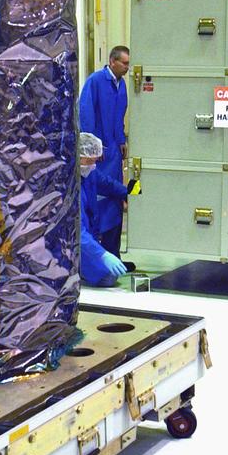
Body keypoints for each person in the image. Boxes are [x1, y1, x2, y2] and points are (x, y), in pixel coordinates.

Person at [79, 45, 130, 256]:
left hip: (113, 153)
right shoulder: (95, 81)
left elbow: (119, 116)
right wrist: (91, 148)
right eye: (124, 63)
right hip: (98, 155)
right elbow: (86, 112)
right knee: (100, 198)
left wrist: (121, 140)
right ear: (112, 61)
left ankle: (114, 253)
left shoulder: (122, 85)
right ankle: (98, 254)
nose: (127, 67)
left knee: (115, 199)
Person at [78, 132, 127, 287]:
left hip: (87, 236)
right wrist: (102, 255)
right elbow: (77, 232)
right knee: (107, 278)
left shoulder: (89, 171)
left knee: (110, 275)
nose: (92, 164)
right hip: (73, 243)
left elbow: (108, 184)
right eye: (89, 160)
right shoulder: (66, 186)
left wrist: (132, 194)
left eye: (94, 160)